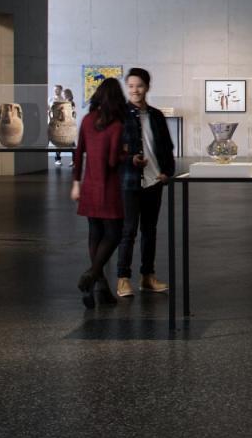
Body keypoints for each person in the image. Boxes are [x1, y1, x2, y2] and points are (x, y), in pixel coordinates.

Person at [115, 67, 175, 298]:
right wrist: (129, 159)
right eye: (130, 86)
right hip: (129, 182)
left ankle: (147, 277)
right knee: (128, 230)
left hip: (154, 181)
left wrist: (166, 172)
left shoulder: (156, 115)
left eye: (139, 86)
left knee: (150, 230)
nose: (134, 90)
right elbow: (112, 152)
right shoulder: (120, 115)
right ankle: (123, 279)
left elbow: (167, 147)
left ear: (147, 87)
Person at [71, 77, 128, 307]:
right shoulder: (116, 126)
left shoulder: (86, 121)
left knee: (95, 233)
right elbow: (114, 160)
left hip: (89, 186)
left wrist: (76, 182)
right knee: (114, 234)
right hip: (110, 187)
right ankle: (92, 275)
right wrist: (129, 155)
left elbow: (78, 154)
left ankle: (100, 287)